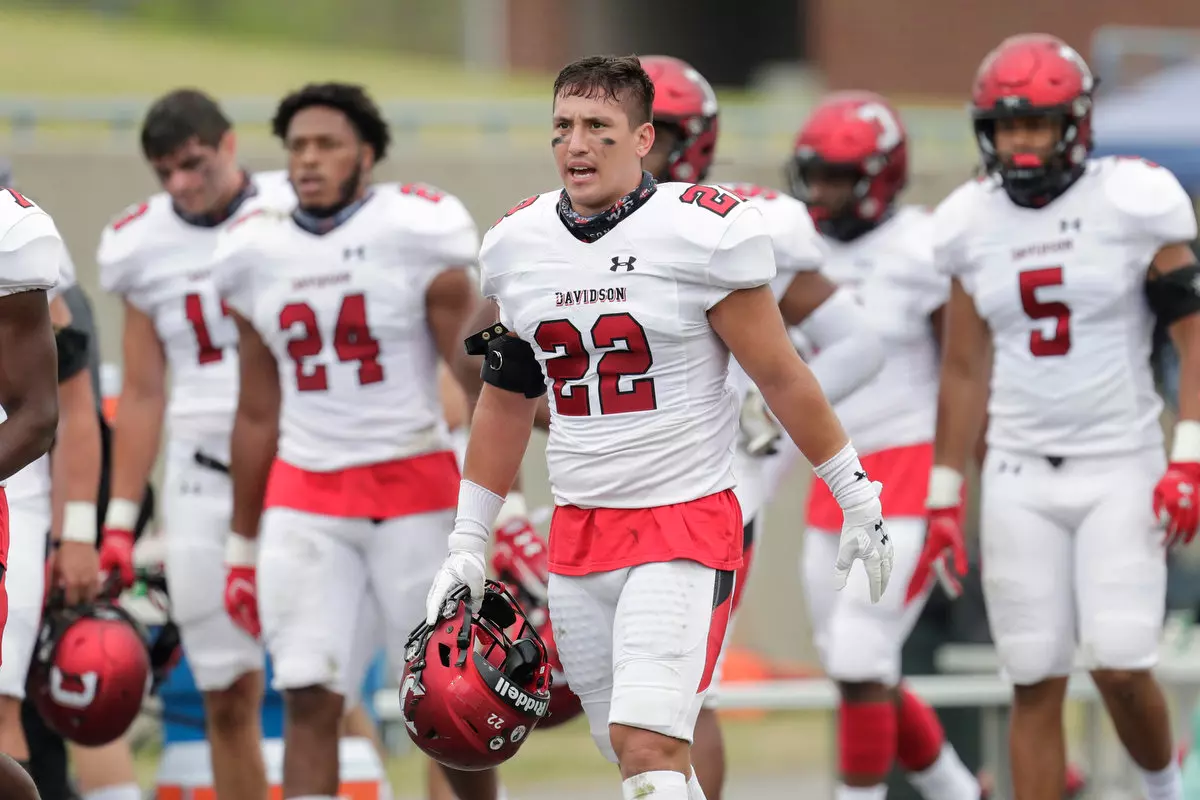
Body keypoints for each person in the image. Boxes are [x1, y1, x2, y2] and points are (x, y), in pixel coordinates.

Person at [422, 54, 893, 800]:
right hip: (578, 530)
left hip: (683, 520)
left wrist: (852, 488)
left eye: (598, 128)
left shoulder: (699, 232)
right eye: (563, 128)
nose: (576, 145)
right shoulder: (519, 242)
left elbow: (782, 374)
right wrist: (469, 538)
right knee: (633, 755)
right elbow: (506, 396)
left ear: (644, 139)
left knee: (650, 744)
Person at [922, 33, 1199, 800]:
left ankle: (1164, 788)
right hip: (1016, 469)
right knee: (1032, 675)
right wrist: (945, 493)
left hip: (1122, 459)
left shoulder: (1134, 199)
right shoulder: (967, 221)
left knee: (1117, 660)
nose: (1021, 141)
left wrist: (1190, 456)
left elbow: (1192, 331)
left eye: (1037, 124)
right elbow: (964, 366)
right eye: (1008, 125)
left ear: (1076, 124)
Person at [211, 82, 498, 800]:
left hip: (415, 485)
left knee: (450, 697)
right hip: (306, 496)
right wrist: (241, 545)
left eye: (326, 144)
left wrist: (505, 503)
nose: (308, 160)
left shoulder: (415, 228)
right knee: (308, 695)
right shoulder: (253, 250)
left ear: (366, 154)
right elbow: (255, 411)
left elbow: (470, 369)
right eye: (297, 147)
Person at [637, 54, 885, 800]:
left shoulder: (745, 220)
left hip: (714, 484)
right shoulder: (567, 222)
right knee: (629, 701)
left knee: (682, 695)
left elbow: (859, 344)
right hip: (617, 484)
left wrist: (764, 417)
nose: (639, 144)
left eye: (658, 129)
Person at [96, 88, 296, 800]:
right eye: (164, 172)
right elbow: (145, 393)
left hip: (300, 468)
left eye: (194, 164)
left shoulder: (291, 205)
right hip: (200, 476)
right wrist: (119, 523)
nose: (181, 184)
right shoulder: (139, 241)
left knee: (318, 681)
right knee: (225, 689)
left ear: (230, 145)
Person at [781, 91, 979, 800]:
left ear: (883, 176)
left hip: (905, 465)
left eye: (840, 177)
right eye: (817, 175)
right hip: (831, 473)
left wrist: (956, 483)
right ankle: (960, 790)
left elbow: (962, 370)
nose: (824, 192)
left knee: (865, 653)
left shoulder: (922, 246)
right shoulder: (794, 246)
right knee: (854, 662)